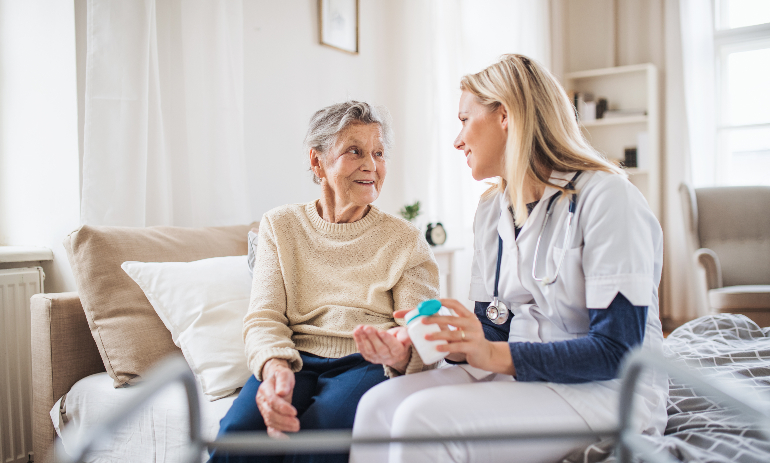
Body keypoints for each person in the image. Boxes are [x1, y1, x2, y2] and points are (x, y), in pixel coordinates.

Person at [350, 54, 668, 463]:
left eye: (465, 119)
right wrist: (432, 340)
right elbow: (493, 329)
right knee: (378, 405)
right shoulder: (491, 212)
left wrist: (492, 354)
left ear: (505, 115)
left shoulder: (608, 198)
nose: (457, 139)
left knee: (421, 418)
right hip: (521, 369)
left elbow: (617, 350)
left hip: (605, 389)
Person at [210, 101, 440, 463]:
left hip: (365, 362)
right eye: (354, 151)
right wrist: (274, 368)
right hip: (294, 357)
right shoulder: (280, 225)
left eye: (378, 153)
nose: (371, 164)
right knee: (236, 437)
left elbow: (420, 332)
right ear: (317, 162)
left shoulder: (406, 240)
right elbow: (264, 316)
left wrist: (402, 352)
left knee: (319, 439)